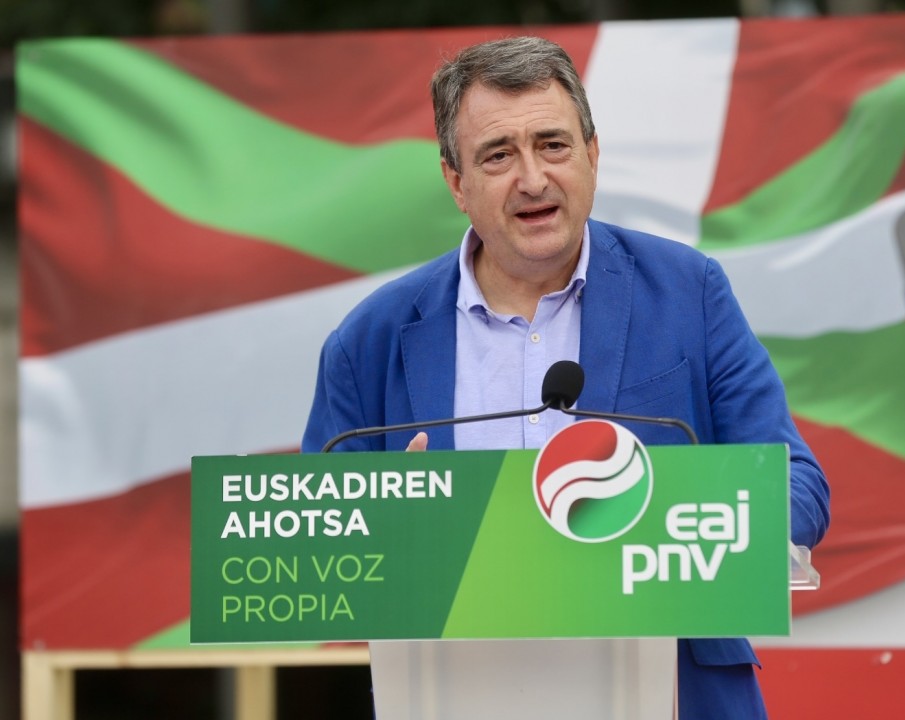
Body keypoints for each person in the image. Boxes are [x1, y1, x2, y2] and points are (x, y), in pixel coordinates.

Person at [302, 35, 830, 720]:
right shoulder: (370, 339)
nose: (532, 178)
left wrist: (667, 523)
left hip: (668, 692)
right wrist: (389, 526)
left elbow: (798, 488)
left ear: (592, 155)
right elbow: (314, 547)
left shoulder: (689, 293)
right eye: (498, 155)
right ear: (456, 183)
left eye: (552, 145)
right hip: (454, 694)